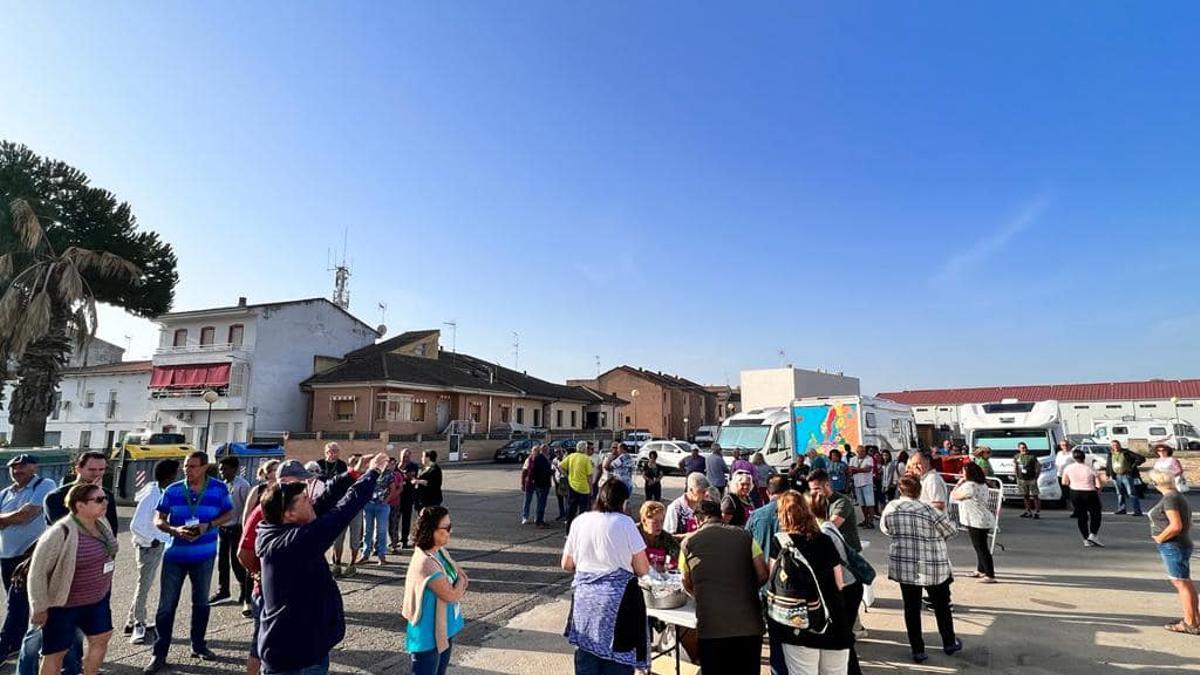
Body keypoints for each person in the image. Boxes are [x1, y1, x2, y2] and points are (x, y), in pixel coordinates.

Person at [257, 452, 388, 674]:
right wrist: (373, 473)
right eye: (305, 500)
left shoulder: (282, 525)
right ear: (288, 514)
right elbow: (341, 513)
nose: (312, 502)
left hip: (308, 649)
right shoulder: (293, 542)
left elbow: (326, 500)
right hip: (295, 659)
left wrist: (352, 474)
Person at [21, 451, 117, 674]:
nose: (97, 475)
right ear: (78, 469)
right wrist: (39, 605)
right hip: (61, 592)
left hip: (95, 590)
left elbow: (109, 537)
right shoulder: (56, 500)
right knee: (46, 644)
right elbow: (40, 567)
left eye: (102, 470)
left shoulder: (105, 497)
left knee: (97, 637)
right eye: (92, 469)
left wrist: (99, 498)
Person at [144, 451, 234, 674]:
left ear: (204, 467)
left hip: (204, 556)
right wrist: (173, 530)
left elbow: (230, 513)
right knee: (166, 605)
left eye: (193, 466)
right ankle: (159, 653)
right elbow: (158, 518)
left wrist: (209, 525)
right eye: (186, 466)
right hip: (175, 555)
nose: (188, 470)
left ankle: (199, 645)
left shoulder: (218, 488)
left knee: (201, 602)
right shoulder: (173, 490)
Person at [562, 481, 650, 674]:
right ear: (623, 501)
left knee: (586, 658)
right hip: (617, 605)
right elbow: (643, 568)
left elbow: (567, 564)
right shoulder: (625, 523)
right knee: (616, 663)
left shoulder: (580, 521)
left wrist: (590, 565)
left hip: (584, 604)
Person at [239, 460, 312, 675]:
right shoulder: (266, 509)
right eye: (301, 480)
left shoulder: (298, 503)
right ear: (287, 481)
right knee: (261, 647)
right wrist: (261, 573)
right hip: (268, 594)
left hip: (292, 592)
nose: (305, 484)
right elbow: (244, 552)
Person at [769, 490, 854, 675]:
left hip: (798, 623)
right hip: (833, 619)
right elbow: (840, 583)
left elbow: (772, 579)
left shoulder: (781, 542)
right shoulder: (825, 540)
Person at [680, 500, 768, 673]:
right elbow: (763, 574)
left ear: (699, 520)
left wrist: (702, 595)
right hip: (748, 624)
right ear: (720, 516)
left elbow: (686, 581)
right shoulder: (745, 536)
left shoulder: (688, 544)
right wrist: (745, 587)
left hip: (712, 627)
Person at [880, 476, 961, 663]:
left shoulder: (891, 507)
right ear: (919, 491)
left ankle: (918, 649)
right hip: (933, 566)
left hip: (904, 565)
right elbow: (951, 531)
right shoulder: (928, 510)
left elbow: (885, 529)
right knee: (941, 606)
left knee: (911, 608)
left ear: (900, 491)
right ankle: (949, 642)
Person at [0, 454, 57, 660]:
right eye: (13, 467)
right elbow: (17, 516)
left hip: (29, 555)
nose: (17, 471)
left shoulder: (43, 484)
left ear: (34, 467)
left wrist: (7, 519)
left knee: (16, 603)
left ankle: (4, 646)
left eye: (22, 466)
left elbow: (27, 515)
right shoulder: (5, 493)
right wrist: (11, 518)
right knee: (19, 602)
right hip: (7, 555)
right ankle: (21, 645)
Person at [403, 505, 468, 675]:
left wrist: (459, 582)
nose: (450, 531)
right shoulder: (426, 562)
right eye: (446, 528)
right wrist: (460, 582)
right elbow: (452, 594)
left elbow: (461, 575)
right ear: (432, 530)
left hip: (443, 629)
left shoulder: (439, 552)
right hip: (428, 637)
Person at [808, 491, 866, 675]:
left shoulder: (823, 532)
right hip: (851, 586)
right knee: (843, 636)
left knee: (842, 637)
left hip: (847, 588)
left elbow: (834, 573)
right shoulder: (826, 527)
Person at [127, 459, 179, 644]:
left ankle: (131, 619)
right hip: (148, 547)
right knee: (144, 586)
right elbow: (136, 525)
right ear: (170, 476)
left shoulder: (158, 492)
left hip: (154, 546)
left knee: (145, 584)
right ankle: (138, 624)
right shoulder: (152, 496)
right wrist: (153, 539)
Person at [1146, 470, 1198, 635]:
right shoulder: (1176, 496)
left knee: (1181, 583)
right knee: (1184, 582)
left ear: (1155, 483)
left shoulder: (1170, 499)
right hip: (1179, 544)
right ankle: (1193, 618)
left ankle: (1190, 622)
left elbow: (1176, 525)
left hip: (1173, 545)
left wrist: (1160, 538)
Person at [214, 456, 252, 610]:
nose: (221, 471)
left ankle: (244, 589)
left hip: (237, 528)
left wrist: (245, 528)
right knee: (222, 560)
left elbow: (247, 507)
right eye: (220, 469)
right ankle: (223, 589)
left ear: (234, 469)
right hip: (223, 528)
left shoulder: (243, 485)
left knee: (236, 561)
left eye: (225, 469)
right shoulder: (222, 485)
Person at [951, 462, 997, 582]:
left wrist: (959, 483)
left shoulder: (970, 486)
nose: (962, 474)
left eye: (964, 472)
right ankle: (981, 569)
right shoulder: (982, 485)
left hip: (977, 520)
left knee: (981, 548)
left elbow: (954, 496)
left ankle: (990, 574)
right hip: (982, 519)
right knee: (980, 547)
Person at [327, 453, 365, 578]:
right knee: (338, 539)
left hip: (356, 511)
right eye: (351, 462)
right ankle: (337, 563)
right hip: (341, 511)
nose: (353, 465)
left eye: (355, 462)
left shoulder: (363, 479)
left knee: (355, 539)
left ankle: (352, 564)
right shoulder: (343, 477)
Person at [807, 470, 862, 553]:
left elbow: (830, 529)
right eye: (811, 489)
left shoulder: (842, 502)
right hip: (832, 549)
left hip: (849, 552)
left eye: (817, 489)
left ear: (827, 485)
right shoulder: (819, 501)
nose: (813, 492)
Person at [1061, 449, 1104, 547]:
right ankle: (1093, 534)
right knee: (1096, 513)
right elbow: (1099, 484)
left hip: (1075, 492)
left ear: (1074, 458)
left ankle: (1085, 539)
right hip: (1089, 492)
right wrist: (1097, 491)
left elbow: (1064, 482)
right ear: (1084, 458)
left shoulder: (1068, 468)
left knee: (1081, 516)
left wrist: (1073, 483)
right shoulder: (1089, 468)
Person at [362, 456, 396, 564]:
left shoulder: (389, 473)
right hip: (369, 504)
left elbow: (393, 489)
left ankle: (381, 555)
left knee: (381, 530)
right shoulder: (369, 472)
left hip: (381, 505)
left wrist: (386, 500)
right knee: (368, 530)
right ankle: (365, 554)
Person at [636, 501, 679, 571]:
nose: (659, 525)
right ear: (644, 521)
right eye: (655, 522)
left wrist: (667, 567)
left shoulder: (666, 537)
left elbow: (678, 556)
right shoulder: (633, 534)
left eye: (661, 521)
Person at [1106, 440, 1145, 516]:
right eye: (1113, 445)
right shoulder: (1111, 454)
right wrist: (1108, 474)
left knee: (1131, 493)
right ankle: (1121, 509)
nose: (1115, 447)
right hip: (1116, 476)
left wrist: (1132, 467)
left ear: (1120, 445)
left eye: (1117, 445)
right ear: (1111, 447)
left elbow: (1141, 458)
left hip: (1126, 475)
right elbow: (1108, 464)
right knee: (1120, 493)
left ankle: (1137, 511)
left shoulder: (1126, 453)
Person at [561, 443, 595, 526]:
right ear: (584, 449)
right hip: (584, 488)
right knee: (582, 511)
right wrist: (591, 490)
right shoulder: (586, 459)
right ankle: (580, 530)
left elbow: (560, 465)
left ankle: (568, 531)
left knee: (571, 510)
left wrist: (567, 475)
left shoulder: (571, 456)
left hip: (572, 486)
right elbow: (589, 476)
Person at [395, 448, 421, 550]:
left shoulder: (414, 466)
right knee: (395, 519)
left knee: (406, 519)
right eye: (404, 456)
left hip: (408, 496)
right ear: (400, 456)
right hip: (396, 496)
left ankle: (404, 540)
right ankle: (394, 540)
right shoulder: (396, 466)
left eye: (407, 456)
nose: (406, 458)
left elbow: (415, 479)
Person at [523, 445, 553, 528]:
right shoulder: (539, 458)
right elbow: (536, 471)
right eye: (548, 450)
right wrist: (551, 471)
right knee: (541, 503)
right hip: (542, 484)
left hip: (542, 484)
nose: (549, 451)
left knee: (542, 503)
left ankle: (540, 520)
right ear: (545, 450)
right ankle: (539, 521)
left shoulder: (543, 458)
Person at [847, 445, 877, 528]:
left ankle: (871, 521)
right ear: (857, 452)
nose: (861, 453)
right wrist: (860, 470)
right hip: (857, 483)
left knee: (869, 503)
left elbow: (868, 469)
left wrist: (855, 469)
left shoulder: (869, 459)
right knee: (862, 504)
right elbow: (850, 471)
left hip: (867, 483)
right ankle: (865, 519)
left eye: (863, 451)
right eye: (859, 451)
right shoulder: (853, 459)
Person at [1014, 443, 1041, 519]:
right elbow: (1015, 467)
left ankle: (1037, 512)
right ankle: (1028, 511)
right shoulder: (1017, 457)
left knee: (1035, 495)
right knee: (1025, 496)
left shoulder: (1032, 456)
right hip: (1022, 479)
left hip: (1031, 479)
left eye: (1025, 447)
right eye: (1022, 448)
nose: (1024, 449)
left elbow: (1038, 466)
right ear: (1019, 448)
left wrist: (1037, 476)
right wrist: (1017, 477)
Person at [552, 448, 569, 521]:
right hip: (557, 481)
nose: (558, 454)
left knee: (566, 498)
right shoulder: (554, 460)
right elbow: (553, 471)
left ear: (562, 452)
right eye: (556, 452)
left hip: (564, 480)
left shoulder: (566, 459)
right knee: (559, 498)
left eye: (559, 452)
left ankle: (567, 514)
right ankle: (561, 514)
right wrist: (554, 480)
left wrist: (558, 467)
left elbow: (567, 471)